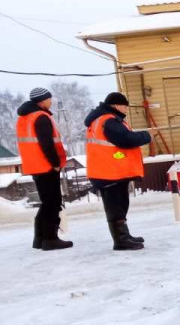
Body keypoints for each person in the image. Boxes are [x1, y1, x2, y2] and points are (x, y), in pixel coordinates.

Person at [85, 91, 157, 251]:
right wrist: (147, 136)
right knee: (116, 206)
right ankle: (121, 240)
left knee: (120, 204)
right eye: (125, 106)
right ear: (116, 105)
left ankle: (124, 235)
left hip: (109, 170)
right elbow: (126, 139)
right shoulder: (109, 120)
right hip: (109, 172)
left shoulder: (102, 119)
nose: (126, 109)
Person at [15, 86, 72, 251]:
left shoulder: (25, 118)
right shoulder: (41, 117)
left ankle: (39, 238)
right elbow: (47, 144)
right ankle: (50, 239)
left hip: (35, 165)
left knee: (46, 202)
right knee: (53, 203)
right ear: (42, 100)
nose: (51, 101)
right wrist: (55, 163)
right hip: (46, 165)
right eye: (49, 98)